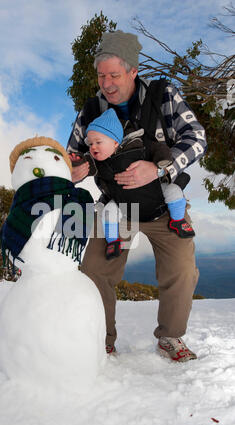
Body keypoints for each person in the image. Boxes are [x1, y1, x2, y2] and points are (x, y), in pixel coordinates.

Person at [67, 30, 207, 361]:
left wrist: (159, 168)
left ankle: (170, 337)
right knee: (95, 271)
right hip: (118, 209)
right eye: (101, 76)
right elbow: (72, 154)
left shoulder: (164, 95)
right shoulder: (91, 110)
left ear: (133, 71)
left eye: (115, 75)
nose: (107, 83)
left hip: (164, 206)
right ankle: (101, 339)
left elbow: (197, 138)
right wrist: (77, 167)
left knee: (182, 270)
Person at [84, 107, 195, 260]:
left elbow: (158, 148)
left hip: (155, 196)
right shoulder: (98, 162)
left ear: (115, 142)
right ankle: (113, 241)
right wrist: (78, 165)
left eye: (98, 142)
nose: (93, 147)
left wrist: (161, 163)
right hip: (124, 205)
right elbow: (85, 165)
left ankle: (177, 220)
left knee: (174, 191)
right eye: (90, 144)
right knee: (109, 211)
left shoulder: (138, 146)